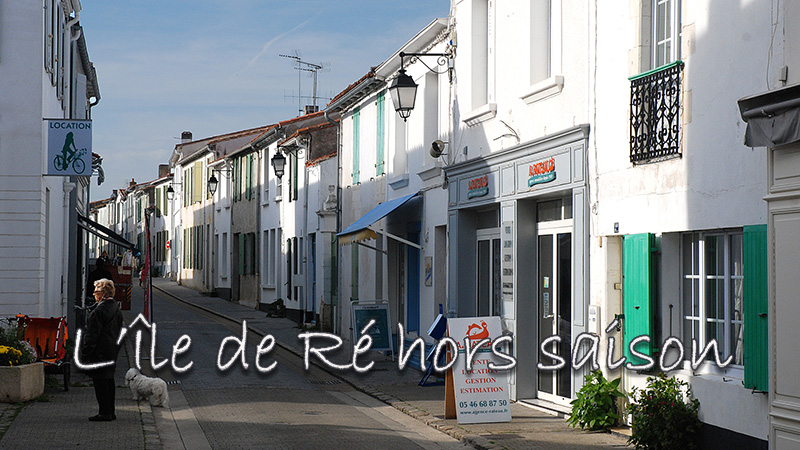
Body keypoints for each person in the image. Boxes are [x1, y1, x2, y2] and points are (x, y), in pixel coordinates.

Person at [83, 279, 124, 422]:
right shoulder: (115, 308)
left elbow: (91, 335)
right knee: (109, 381)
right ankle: (110, 411)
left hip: (100, 351)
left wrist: (85, 354)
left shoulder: (99, 311)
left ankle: (104, 413)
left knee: (100, 382)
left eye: (95, 291)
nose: (93, 294)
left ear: (101, 293)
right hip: (112, 350)